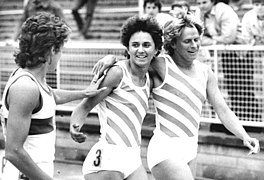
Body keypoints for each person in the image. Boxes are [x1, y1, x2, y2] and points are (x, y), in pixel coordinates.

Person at [93, 12, 260, 180]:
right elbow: (136, 57)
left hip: (190, 149)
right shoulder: (161, 65)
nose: (194, 45)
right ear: (173, 43)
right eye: (187, 41)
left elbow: (222, 109)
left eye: (196, 39)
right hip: (165, 150)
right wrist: (111, 58)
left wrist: (244, 135)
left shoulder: (206, 72)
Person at [0, 12, 106, 180]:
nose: (60, 56)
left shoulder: (33, 81)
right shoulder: (25, 87)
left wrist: (84, 93)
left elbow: (50, 97)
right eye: (61, 51)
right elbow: (13, 151)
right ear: (51, 50)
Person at [70, 15, 163, 180]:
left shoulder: (150, 78)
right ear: (127, 48)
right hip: (108, 158)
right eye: (135, 45)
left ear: (156, 50)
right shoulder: (117, 73)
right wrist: (74, 126)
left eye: (146, 45)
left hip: (133, 159)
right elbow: (84, 106)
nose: (140, 50)